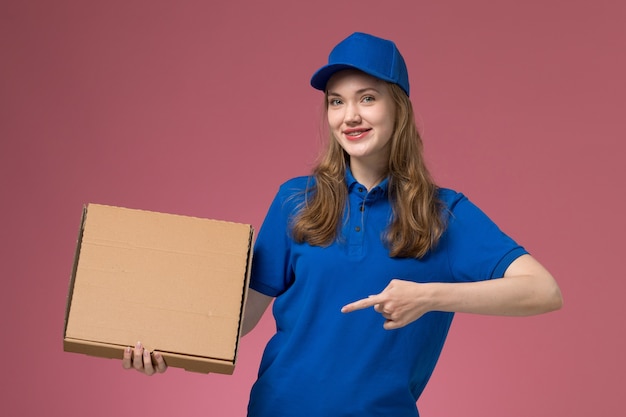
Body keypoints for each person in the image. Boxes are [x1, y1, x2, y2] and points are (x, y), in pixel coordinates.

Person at [123, 32, 563, 416]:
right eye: (337, 102)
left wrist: (429, 297)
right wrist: (166, 340)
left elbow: (543, 290)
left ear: (399, 108)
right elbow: (241, 317)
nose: (349, 116)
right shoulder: (296, 200)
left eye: (367, 98)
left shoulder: (443, 213)